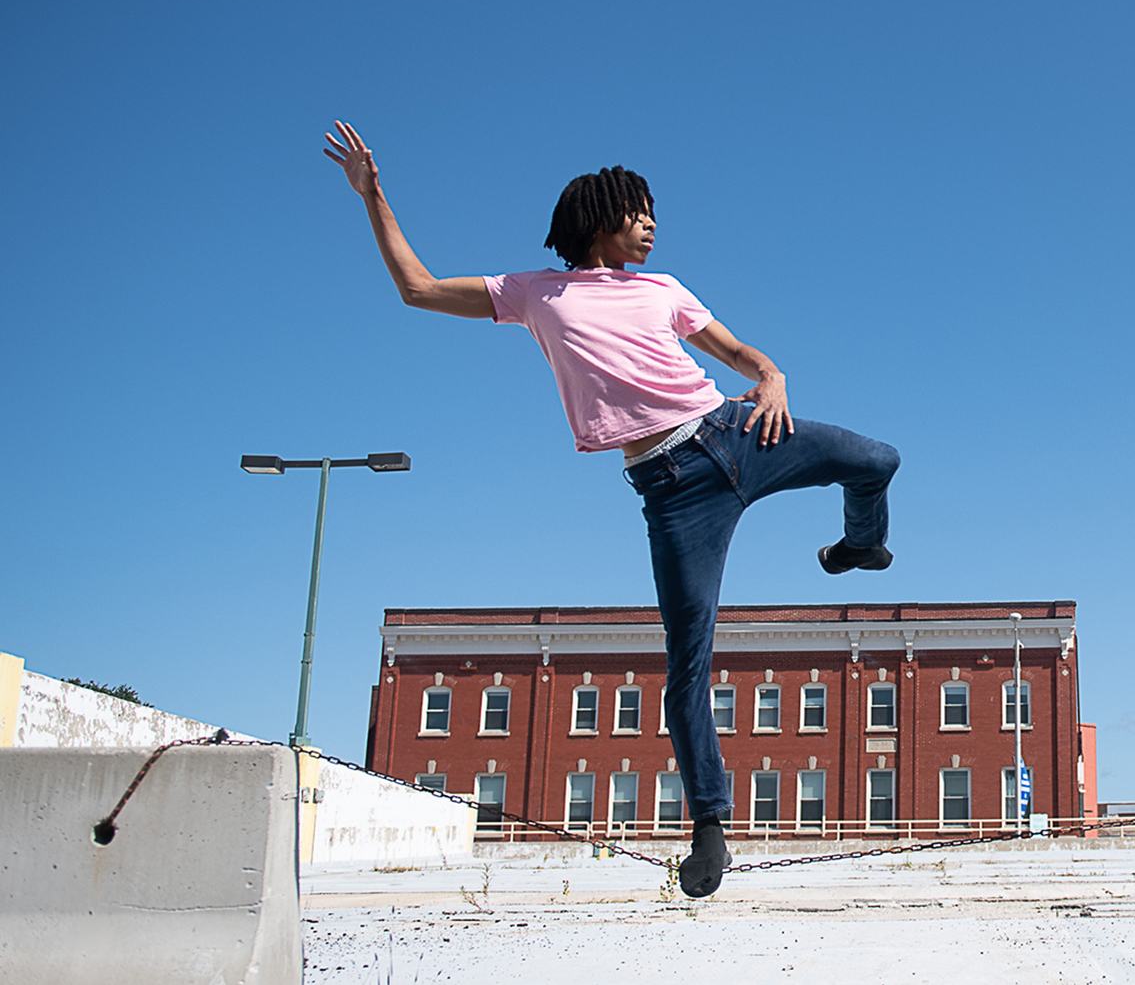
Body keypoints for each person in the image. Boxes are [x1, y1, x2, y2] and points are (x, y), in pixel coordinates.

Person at [324, 120, 899, 898]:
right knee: (688, 661)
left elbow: (739, 353)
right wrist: (374, 196)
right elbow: (418, 288)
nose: (653, 224)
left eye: (654, 212)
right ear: (599, 218)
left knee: (876, 461)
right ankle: (709, 830)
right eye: (639, 211)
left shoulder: (665, 290)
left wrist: (772, 379)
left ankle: (855, 549)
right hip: (673, 490)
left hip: (737, 430)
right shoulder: (536, 293)